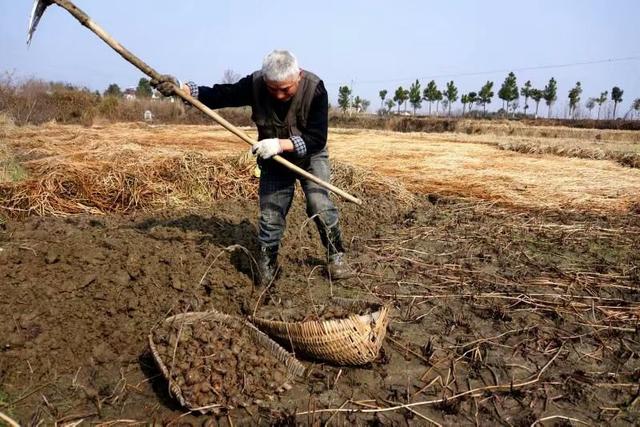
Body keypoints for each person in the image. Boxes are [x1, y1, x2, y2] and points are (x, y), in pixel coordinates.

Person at [152, 50, 353, 286]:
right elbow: (222, 94)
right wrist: (184, 90)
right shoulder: (256, 83)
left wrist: (280, 144)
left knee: (319, 203)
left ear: (298, 76)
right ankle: (268, 265)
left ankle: (336, 254)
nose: (278, 95)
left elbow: (317, 138)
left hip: (310, 156)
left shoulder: (314, 88)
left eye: (286, 89)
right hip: (274, 161)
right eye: (273, 89)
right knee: (270, 214)